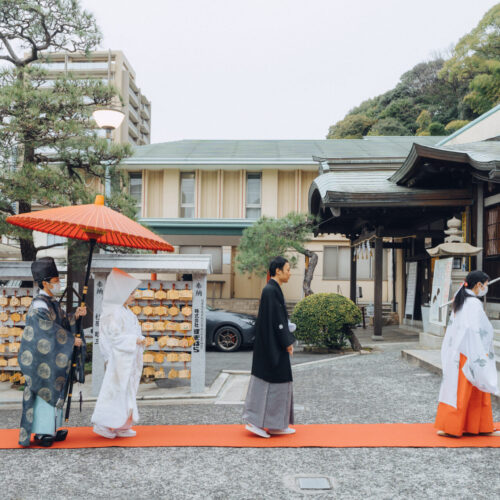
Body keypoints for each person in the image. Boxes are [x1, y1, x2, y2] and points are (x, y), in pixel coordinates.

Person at [18, 257, 87, 447]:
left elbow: (63, 322)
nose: (58, 284)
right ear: (44, 283)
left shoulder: (51, 302)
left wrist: (76, 316)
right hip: (41, 360)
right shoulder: (40, 305)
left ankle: (51, 429)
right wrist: (72, 340)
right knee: (43, 393)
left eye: (58, 280)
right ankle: (41, 432)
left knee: (54, 392)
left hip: (51, 358)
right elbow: (46, 331)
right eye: (55, 281)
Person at [435, 270, 500, 437]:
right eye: (485, 285)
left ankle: (458, 425)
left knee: (461, 390)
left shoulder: (461, 301)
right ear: (478, 285)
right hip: (470, 351)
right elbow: (473, 330)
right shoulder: (473, 304)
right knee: (469, 391)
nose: (486, 288)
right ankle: (474, 426)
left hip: (460, 351)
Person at [243, 256, 297, 438]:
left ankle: (275, 424)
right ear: (278, 271)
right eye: (288, 269)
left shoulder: (273, 289)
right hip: (271, 347)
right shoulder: (270, 290)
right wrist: (287, 341)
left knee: (280, 384)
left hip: (272, 345)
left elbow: (278, 320)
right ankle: (255, 422)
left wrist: (286, 335)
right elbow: (277, 322)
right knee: (265, 384)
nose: (290, 273)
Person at [91, 268, 146, 438]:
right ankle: (103, 424)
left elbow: (133, 331)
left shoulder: (126, 312)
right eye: (131, 293)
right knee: (114, 391)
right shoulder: (113, 312)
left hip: (128, 357)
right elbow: (113, 337)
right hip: (118, 358)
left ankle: (123, 424)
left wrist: (140, 338)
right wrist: (134, 340)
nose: (133, 296)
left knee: (127, 392)